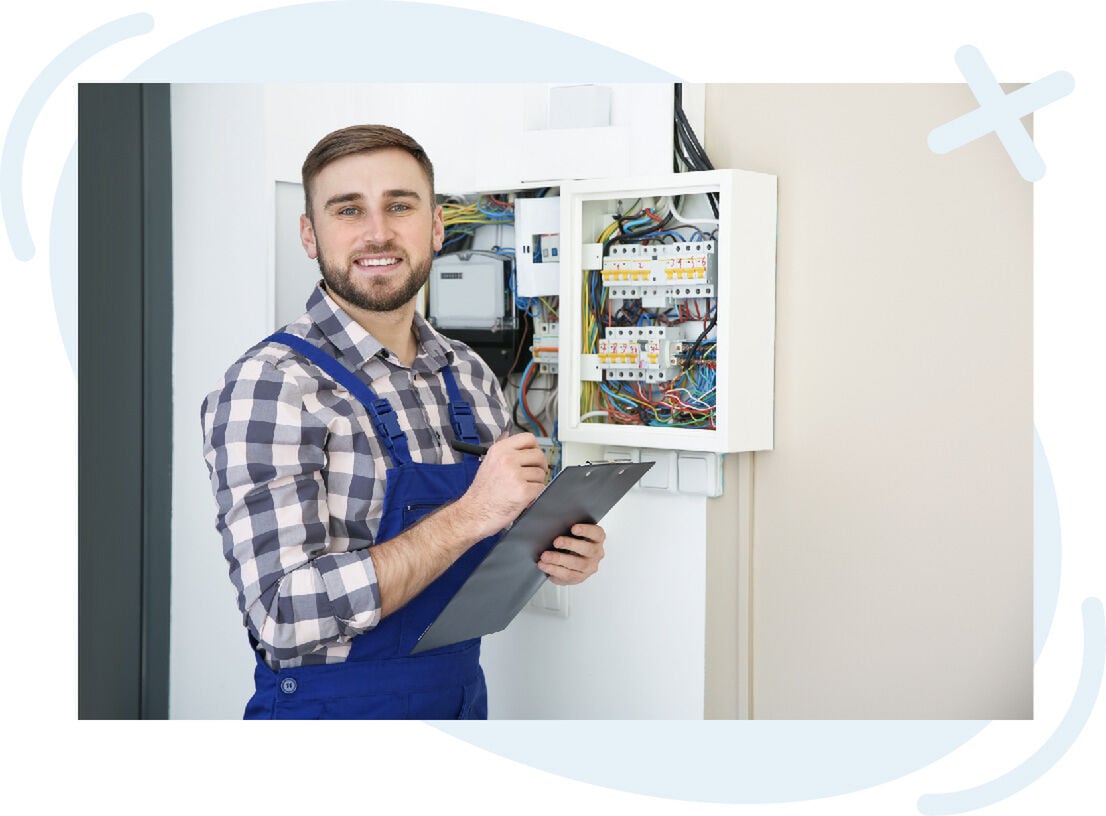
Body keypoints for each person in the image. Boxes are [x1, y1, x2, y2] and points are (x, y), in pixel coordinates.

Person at [201, 124, 606, 720]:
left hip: (462, 699)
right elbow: (283, 617)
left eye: (399, 205)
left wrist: (553, 551)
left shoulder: (466, 373)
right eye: (348, 210)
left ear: (436, 226)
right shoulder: (273, 385)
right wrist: (469, 514)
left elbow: (485, 550)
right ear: (310, 235)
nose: (378, 232)